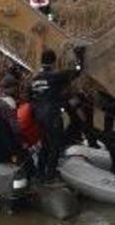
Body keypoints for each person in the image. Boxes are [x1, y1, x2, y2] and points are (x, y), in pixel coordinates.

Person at [28, 47, 83, 179]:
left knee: (45, 144)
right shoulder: (55, 76)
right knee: (55, 145)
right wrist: (79, 57)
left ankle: (40, 172)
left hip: (38, 116)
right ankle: (50, 174)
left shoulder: (35, 79)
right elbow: (76, 72)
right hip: (51, 115)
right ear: (53, 62)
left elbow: (30, 97)